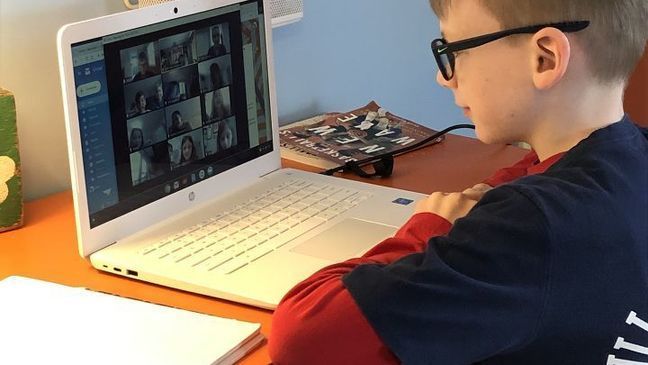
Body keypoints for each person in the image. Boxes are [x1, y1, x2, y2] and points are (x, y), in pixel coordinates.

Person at [269, 1, 648, 364]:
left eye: (454, 50)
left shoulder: (531, 227)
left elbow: (303, 336)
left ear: (544, 58)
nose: (443, 77)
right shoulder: (629, 157)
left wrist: (425, 229)